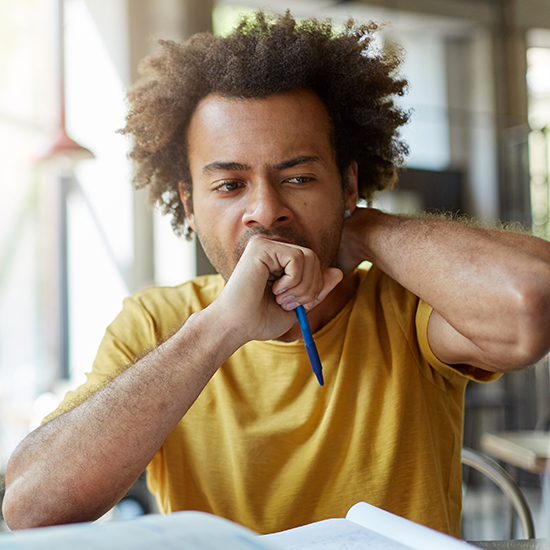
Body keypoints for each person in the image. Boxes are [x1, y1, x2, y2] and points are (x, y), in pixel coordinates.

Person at [3, 11, 550, 537]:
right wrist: (219, 328)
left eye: (300, 178)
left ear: (348, 183)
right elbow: (30, 506)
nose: (265, 210)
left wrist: (358, 229)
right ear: (188, 206)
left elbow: (531, 303)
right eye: (229, 185)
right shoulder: (155, 322)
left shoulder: (407, 305)